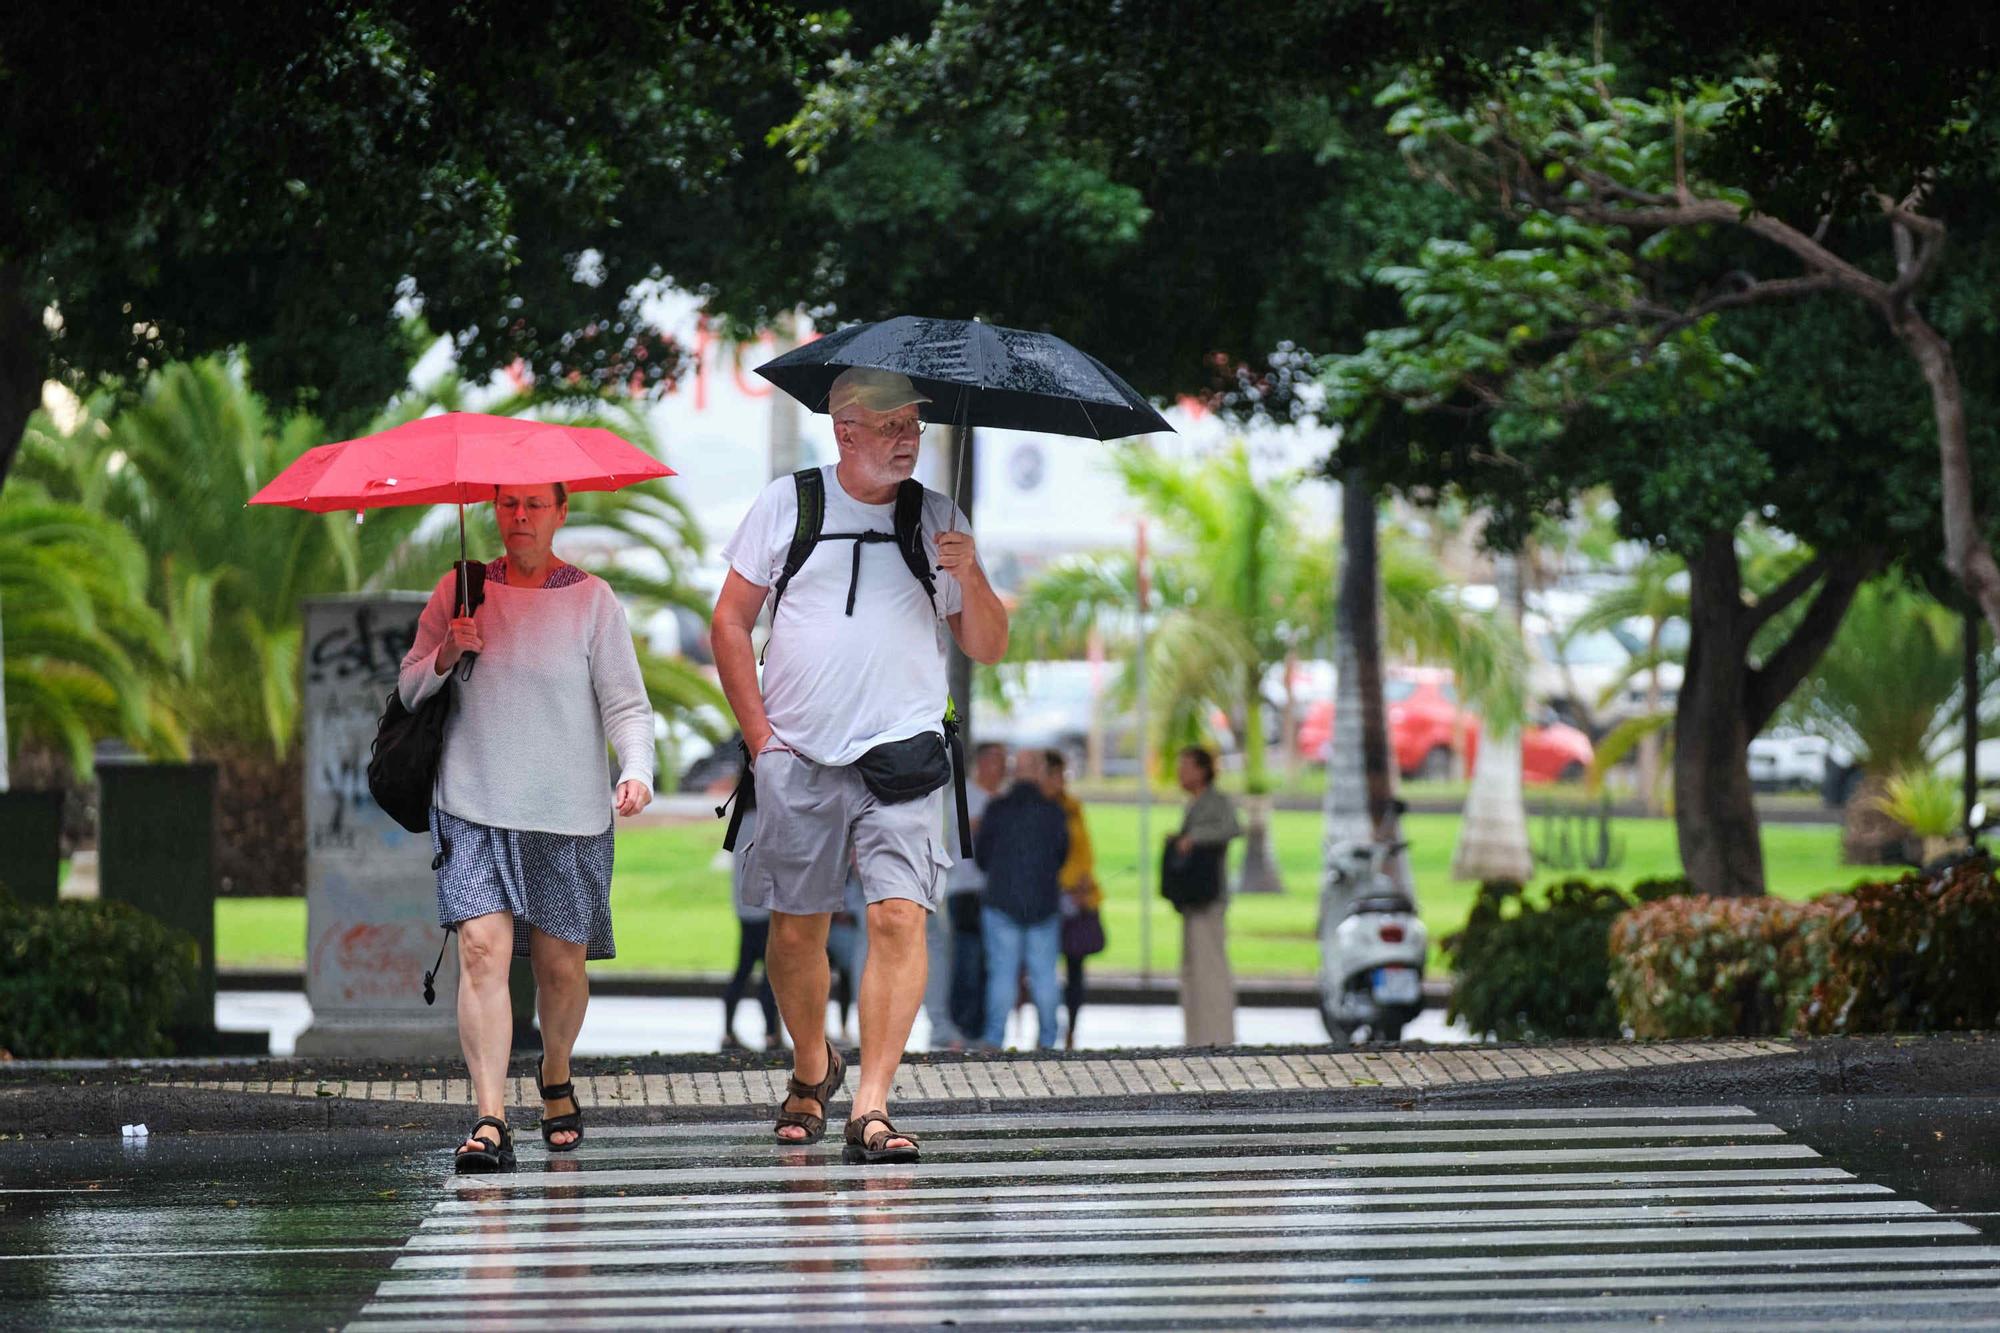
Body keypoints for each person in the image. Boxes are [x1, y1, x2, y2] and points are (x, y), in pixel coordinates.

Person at [711, 367, 1008, 1164]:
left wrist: (970, 571)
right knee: (796, 931)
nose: (909, 437)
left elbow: (988, 643)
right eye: (891, 426)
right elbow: (731, 622)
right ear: (845, 431)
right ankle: (814, 1065)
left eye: (914, 425)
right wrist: (762, 738)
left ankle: (871, 1101)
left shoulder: (937, 518)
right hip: (799, 752)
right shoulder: (790, 504)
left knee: (897, 915)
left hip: (906, 754)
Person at [398, 482, 655, 1174]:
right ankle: (488, 1116)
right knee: (481, 951)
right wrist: (447, 652)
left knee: (560, 965)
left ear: (561, 513)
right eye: (509, 503)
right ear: (493, 510)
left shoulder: (592, 600)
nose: (520, 516)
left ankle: (556, 1068)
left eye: (535, 504)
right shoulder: (461, 587)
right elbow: (408, 688)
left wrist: (636, 769)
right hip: (472, 804)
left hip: (566, 814)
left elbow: (627, 704)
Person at [974, 748, 1069, 1049]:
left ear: (1015, 771)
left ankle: (993, 1038)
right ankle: (1048, 1039)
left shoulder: (996, 808)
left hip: (1001, 902)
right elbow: (1061, 854)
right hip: (1043, 904)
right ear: (1040, 772)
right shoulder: (1054, 812)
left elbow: (982, 857)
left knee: (1002, 974)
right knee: (1044, 977)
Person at [936, 740, 1007, 1047]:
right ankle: (962, 1023)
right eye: (996, 762)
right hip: (966, 889)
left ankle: (981, 1025)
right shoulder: (962, 795)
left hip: (998, 891)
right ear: (981, 763)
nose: (1001, 769)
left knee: (991, 962)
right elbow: (966, 839)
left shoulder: (1004, 798)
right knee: (967, 958)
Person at [1175, 744, 1241, 1046]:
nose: (1180, 773)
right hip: (1191, 900)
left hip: (1209, 898)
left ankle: (1218, 1036)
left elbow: (1231, 828)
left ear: (1202, 770)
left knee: (1211, 969)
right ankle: (1196, 1036)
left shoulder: (1217, 802)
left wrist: (1194, 839)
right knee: (1192, 971)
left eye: (1186, 766)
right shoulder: (1194, 804)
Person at [1042, 750, 1102, 1050]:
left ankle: (1071, 1029)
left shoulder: (1072, 808)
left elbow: (1085, 850)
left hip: (1074, 896)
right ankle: (1046, 1028)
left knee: (1075, 967)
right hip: (1045, 897)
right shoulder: (1035, 808)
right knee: (1042, 966)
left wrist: (1081, 885)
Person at [722, 785, 782, 1052]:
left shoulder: (738, 823)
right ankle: (771, 1033)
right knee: (770, 975)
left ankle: (728, 1030)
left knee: (743, 971)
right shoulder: (766, 822)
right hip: (765, 907)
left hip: (744, 907)